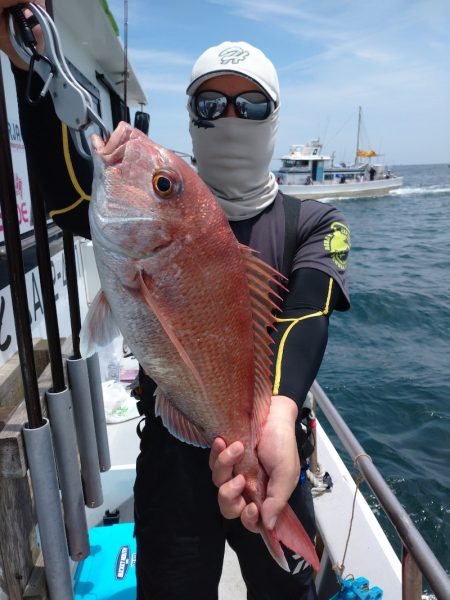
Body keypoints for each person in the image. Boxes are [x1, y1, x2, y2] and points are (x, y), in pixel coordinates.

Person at [0, 6, 351, 597]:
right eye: (212, 104)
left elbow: (307, 313)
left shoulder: (312, 220)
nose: (232, 117)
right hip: (169, 444)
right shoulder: (154, 205)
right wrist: (30, 66)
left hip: (273, 445)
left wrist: (281, 416)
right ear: (191, 118)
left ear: (275, 117)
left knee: (295, 591)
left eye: (252, 104)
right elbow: (64, 199)